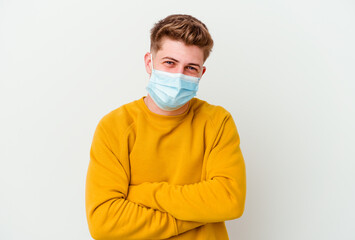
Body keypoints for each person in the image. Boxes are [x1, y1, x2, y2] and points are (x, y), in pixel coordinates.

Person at [85, 14, 246, 240]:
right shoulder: (115, 127)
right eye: (169, 63)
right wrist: (199, 215)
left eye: (191, 68)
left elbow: (230, 201)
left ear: (201, 73)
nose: (178, 76)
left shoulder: (217, 122)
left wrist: (145, 192)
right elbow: (104, 223)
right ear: (150, 63)